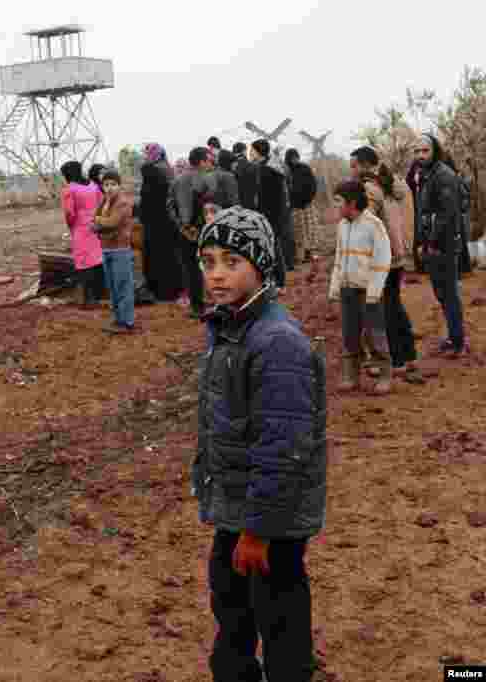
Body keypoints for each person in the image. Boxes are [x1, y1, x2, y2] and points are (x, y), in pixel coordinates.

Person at [192, 206, 326, 682]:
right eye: (208, 261)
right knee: (232, 618)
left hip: (270, 523)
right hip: (238, 508)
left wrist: (258, 532)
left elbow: (283, 446)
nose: (217, 274)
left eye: (231, 260)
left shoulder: (276, 342)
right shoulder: (231, 326)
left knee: (280, 627)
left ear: (261, 264)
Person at [349, 147, 423, 383]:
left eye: (353, 166)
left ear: (363, 165)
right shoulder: (393, 183)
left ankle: (393, 361)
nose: (351, 171)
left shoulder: (369, 189)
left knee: (381, 312)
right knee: (394, 306)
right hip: (397, 255)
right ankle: (407, 357)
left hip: (380, 258)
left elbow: (365, 226)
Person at [328, 179, 393, 393]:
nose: (335, 206)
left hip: (368, 291)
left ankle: (384, 374)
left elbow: (383, 259)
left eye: (338, 201)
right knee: (349, 333)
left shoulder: (374, 225)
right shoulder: (342, 226)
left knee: (375, 332)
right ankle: (351, 375)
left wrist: (374, 291)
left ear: (352, 202)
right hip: (348, 288)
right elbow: (339, 258)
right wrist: (335, 286)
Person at [413, 134, 468, 356]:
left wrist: (431, 243)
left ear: (435, 150)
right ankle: (455, 337)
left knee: (448, 292)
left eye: (425, 151)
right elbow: (424, 212)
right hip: (433, 242)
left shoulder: (443, 175)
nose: (420, 155)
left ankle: (458, 341)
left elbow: (445, 215)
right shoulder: (426, 174)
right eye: (417, 151)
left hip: (443, 244)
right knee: (442, 292)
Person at [170, 147, 217, 318]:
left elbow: (170, 206)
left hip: (184, 232)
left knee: (191, 269)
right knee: (211, 264)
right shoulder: (207, 179)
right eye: (208, 160)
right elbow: (210, 205)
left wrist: (182, 226)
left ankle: (197, 305)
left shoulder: (177, 180)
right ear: (202, 161)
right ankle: (213, 300)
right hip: (204, 230)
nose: (210, 163)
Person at [138, 143, 185, 301]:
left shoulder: (151, 171)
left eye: (147, 153)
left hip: (155, 224)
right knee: (170, 255)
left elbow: (148, 201)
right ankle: (173, 290)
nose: (145, 156)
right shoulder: (168, 169)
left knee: (157, 257)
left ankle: (160, 291)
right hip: (169, 221)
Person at [94, 169, 137, 333]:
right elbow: (96, 222)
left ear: (119, 185)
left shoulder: (123, 202)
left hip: (120, 249)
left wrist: (98, 221)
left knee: (123, 286)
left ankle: (127, 322)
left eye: (113, 184)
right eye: (106, 184)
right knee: (112, 287)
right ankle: (118, 319)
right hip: (106, 248)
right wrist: (99, 222)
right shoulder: (104, 201)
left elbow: (112, 222)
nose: (109, 187)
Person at [61, 161, 106, 305]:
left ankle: (88, 298)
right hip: (95, 226)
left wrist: (72, 226)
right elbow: (102, 204)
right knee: (98, 259)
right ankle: (100, 294)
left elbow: (69, 213)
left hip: (80, 228)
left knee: (83, 262)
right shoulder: (93, 186)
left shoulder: (70, 189)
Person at [250, 139, 291, 285]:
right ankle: (275, 279)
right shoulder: (269, 167)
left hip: (270, 215)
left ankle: (279, 281)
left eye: (252, 150)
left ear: (258, 151)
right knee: (271, 246)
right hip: (272, 214)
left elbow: (269, 197)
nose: (250, 153)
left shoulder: (267, 170)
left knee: (273, 247)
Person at [285, 149, 319, 264]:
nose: (294, 160)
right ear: (288, 159)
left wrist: (308, 199)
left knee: (309, 230)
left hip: (307, 205)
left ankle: (308, 254)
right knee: (298, 232)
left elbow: (313, 185)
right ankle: (297, 256)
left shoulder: (305, 168)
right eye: (292, 158)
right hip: (294, 207)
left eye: (296, 157)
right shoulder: (287, 171)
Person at [231, 142, 259, 211]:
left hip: (235, 203)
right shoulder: (251, 165)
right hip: (250, 201)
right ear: (244, 151)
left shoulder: (229, 165)